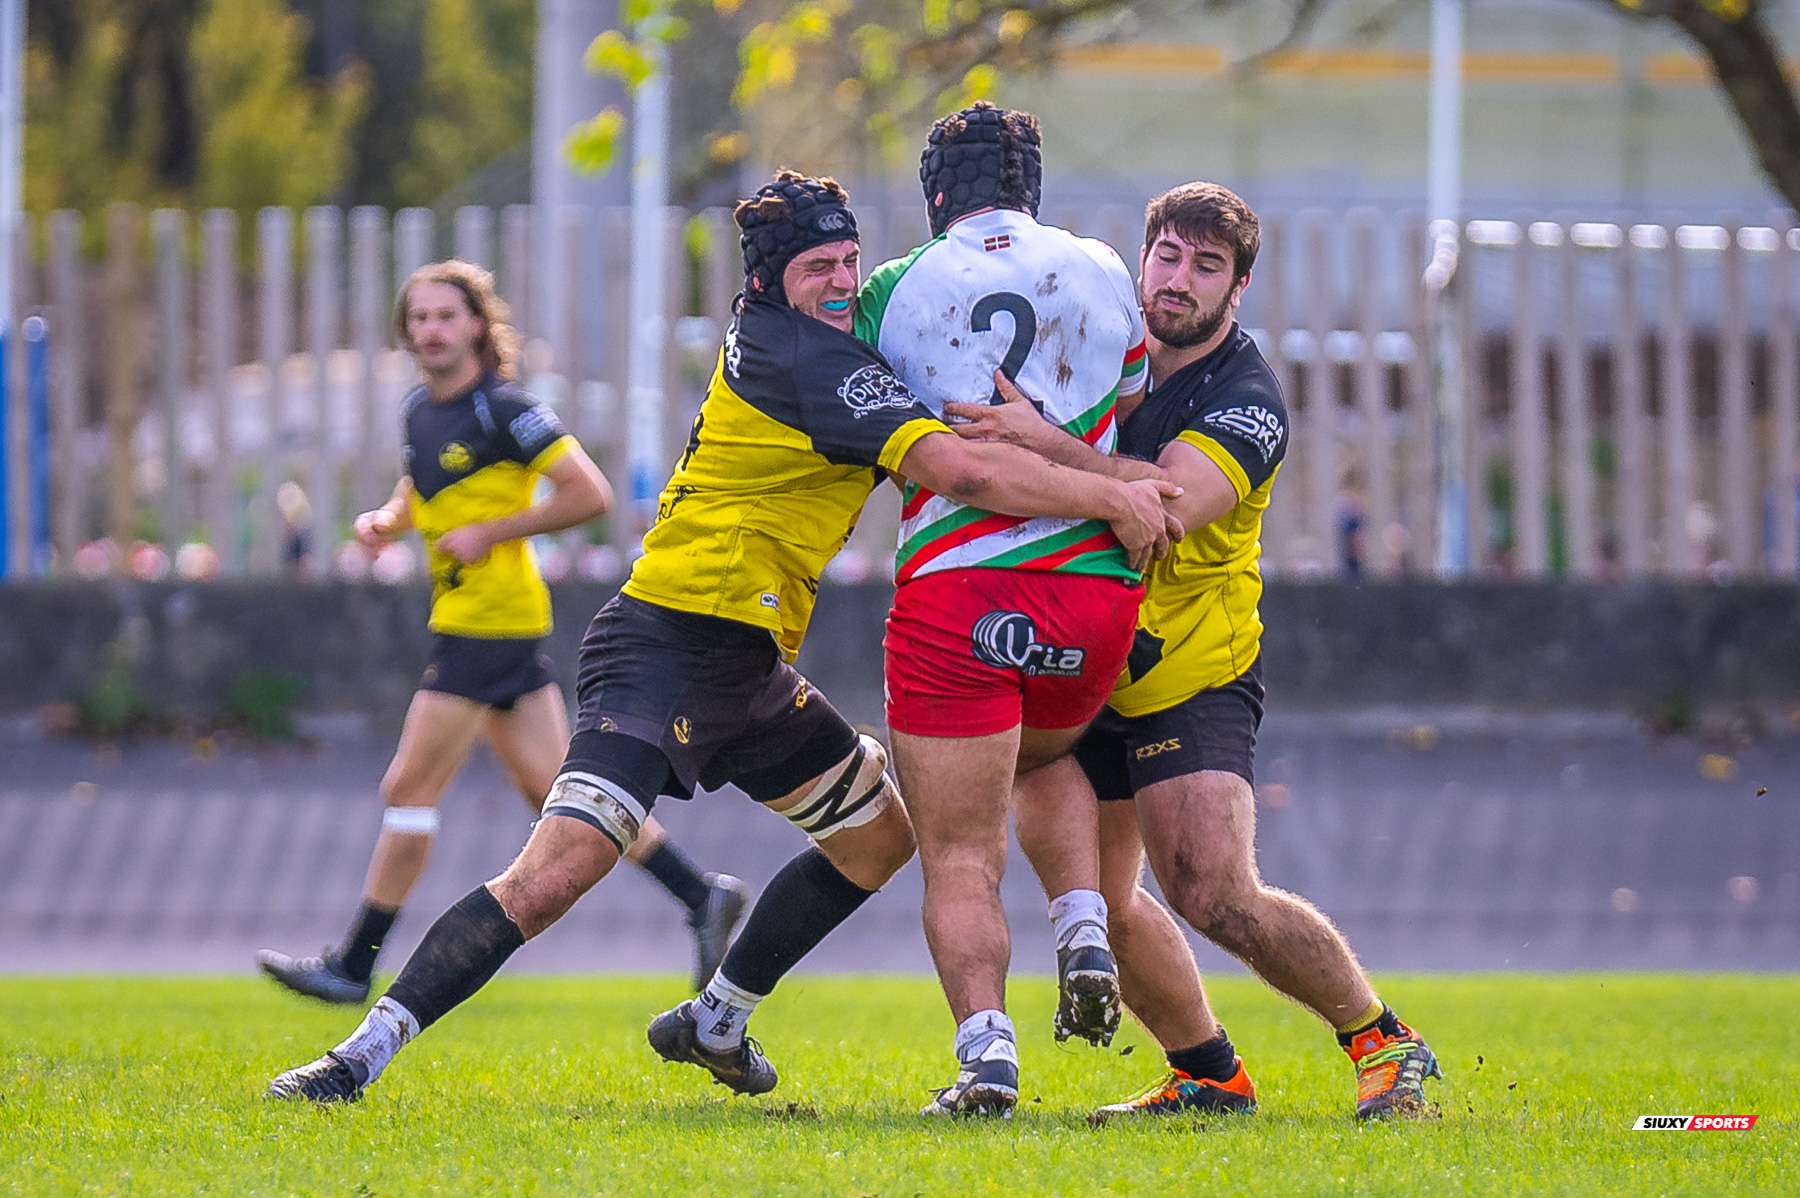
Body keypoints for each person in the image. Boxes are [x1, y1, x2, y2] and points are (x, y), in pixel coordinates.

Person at [266, 173, 1177, 1105]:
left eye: (850, 262)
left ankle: (715, 1019)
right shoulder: (808, 362)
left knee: (877, 839)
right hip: (662, 643)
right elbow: (959, 468)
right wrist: (1114, 491)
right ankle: (354, 1058)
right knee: (559, 870)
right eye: (819, 266)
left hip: (746, 662)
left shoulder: (811, 338)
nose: (841, 282)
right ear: (770, 278)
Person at [955, 182, 1443, 1122]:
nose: (1178, 281)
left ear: (1239, 286)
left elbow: (1168, 505)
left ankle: (1384, 1042)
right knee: (1094, 900)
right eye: (1167, 258)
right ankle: (1208, 1074)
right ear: (1142, 261)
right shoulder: (1096, 343)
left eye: (1206, 267)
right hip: (1087, 657)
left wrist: (1046, 448)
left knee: (1214, 892)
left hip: (1190, 671)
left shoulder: (1248, 400)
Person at [255, 260, 748, 1007]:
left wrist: (495, 530)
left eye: (445, 316)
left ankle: (355, 964)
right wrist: (390, 522)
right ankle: (700, 894)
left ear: (478, 326)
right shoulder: (422, 410)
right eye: (417, 318)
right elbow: (424, 486)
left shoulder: (505, 410)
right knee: (561, 794)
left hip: (487, 626)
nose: (429, 330)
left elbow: (589, 492)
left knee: (408, 785)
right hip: (482, 624)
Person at [856, 103, 1175, 1117]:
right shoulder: (1102, 269)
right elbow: (1124, 406)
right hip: (1093, 595)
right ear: (1030, 185)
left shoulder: (893, 288)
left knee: (957, 851)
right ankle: (1082, 917)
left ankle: (987, 1056)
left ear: (935, 191)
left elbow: (864, 423)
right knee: (1043, 754)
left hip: (959, 587)